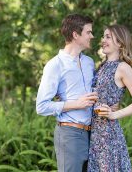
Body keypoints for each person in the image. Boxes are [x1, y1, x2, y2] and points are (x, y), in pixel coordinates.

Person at [36, 14, 98, 172]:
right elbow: (41, 106)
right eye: (88, 32)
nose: (92, 36)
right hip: (70, 135)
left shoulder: (89, 62)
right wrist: (76, 104)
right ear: (75, 35)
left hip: (95, 134)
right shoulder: (54, 65)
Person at [87, 24, 132, 172]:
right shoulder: (101, 66)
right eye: (103, 36)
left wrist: (114, 114)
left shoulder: (123, 68)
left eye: (108, 37)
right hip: (92, 133)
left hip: (107, 135)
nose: (103, 40)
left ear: (120, 43)